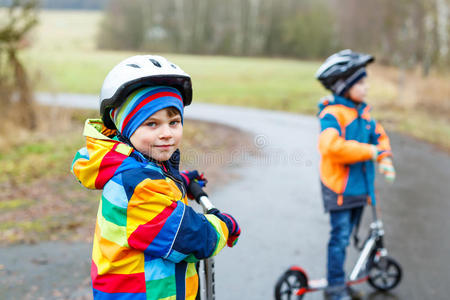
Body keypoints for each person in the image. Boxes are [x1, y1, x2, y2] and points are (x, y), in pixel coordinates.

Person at [71, 55, 241, 300]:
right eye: (152, 124)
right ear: (126, 127)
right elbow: (192, 238)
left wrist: (179, 181)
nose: (166, 133)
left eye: (174, 122)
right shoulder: (136, 186)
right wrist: (224, 225)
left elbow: (155, 182)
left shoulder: (137, 167)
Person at [315, 50, 395, 300]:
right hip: (339, 188)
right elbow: (330, 147)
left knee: (347, 236)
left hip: (360, 189)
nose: (366, 87)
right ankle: (336, 287)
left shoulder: (364, 113)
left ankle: (339, 280)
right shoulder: (333, 115)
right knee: (339, 238)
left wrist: (385, 158)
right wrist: (369, 151)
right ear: (343, 85)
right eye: (360, 83)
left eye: (365, 81)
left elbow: (379, 136)